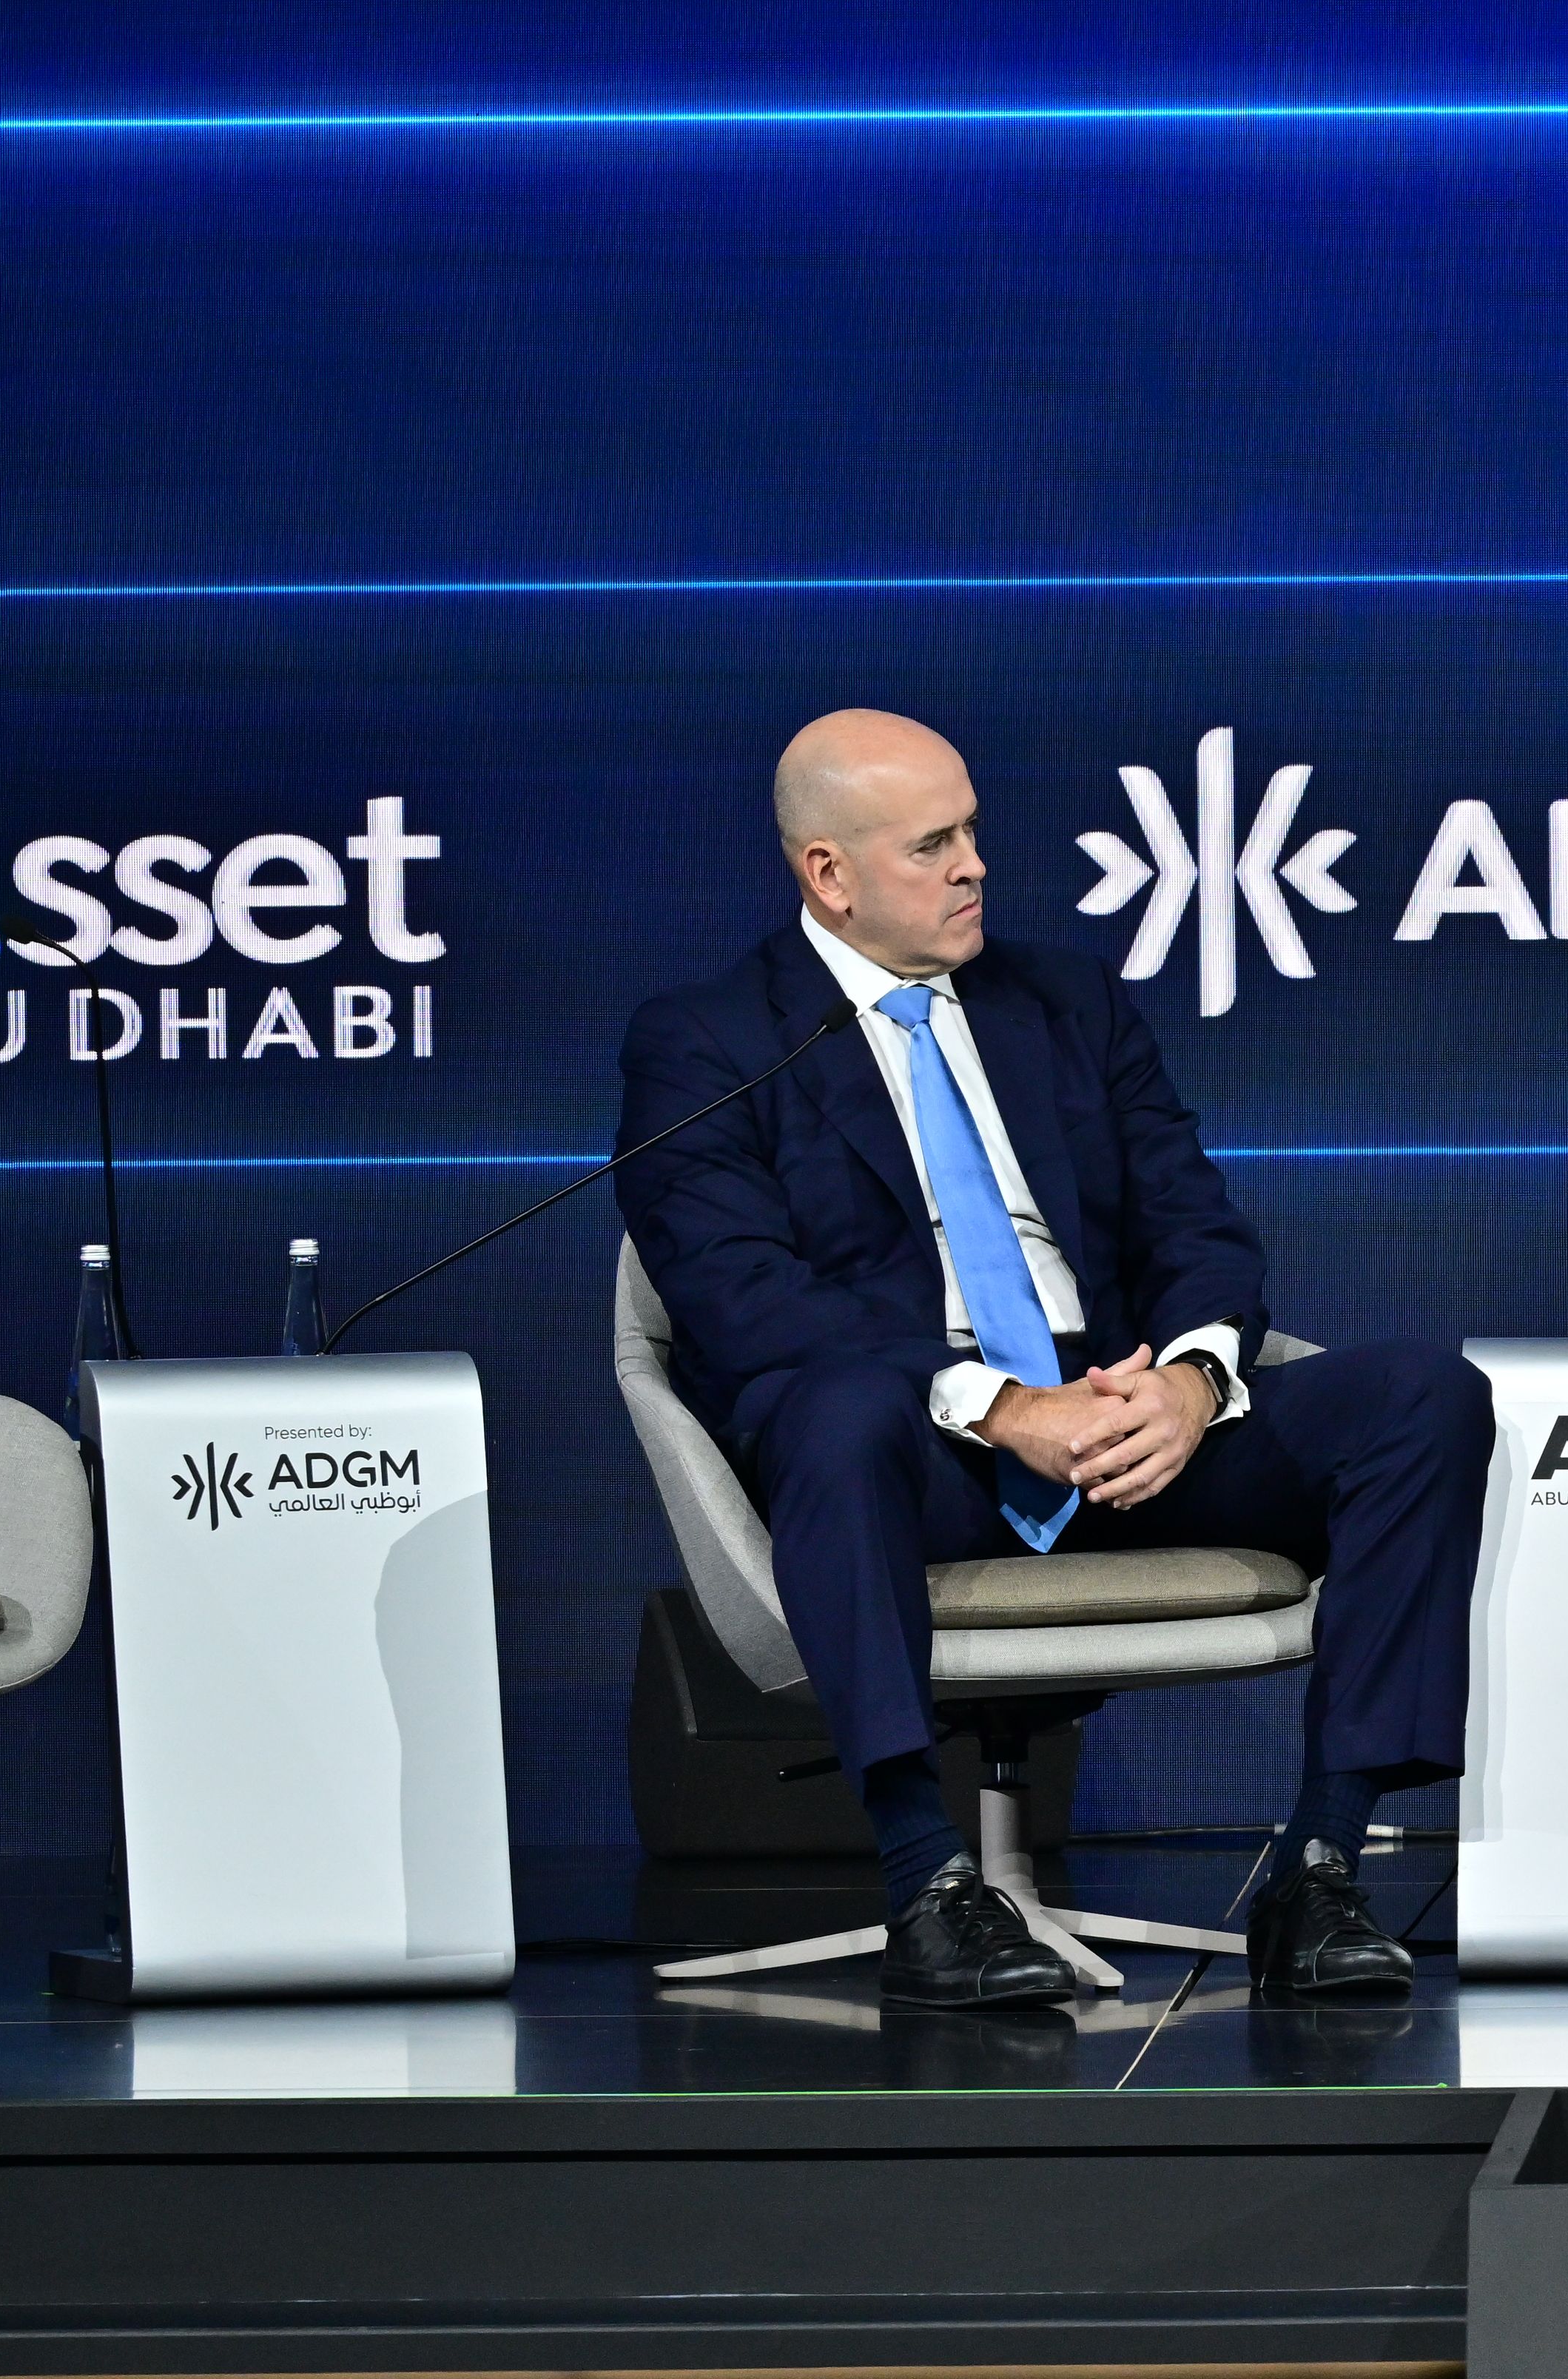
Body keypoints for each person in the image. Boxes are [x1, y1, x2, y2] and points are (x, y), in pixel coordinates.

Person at [618, 713, 1494, 2008]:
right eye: (934, 844)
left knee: (1422, 1395)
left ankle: (1319, 1866)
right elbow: (745, 1303)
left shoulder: (1064, 1002)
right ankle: (927, 1881)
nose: (975, 864)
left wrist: (1190, 1386)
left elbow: (1196, 1226)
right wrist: (997, 1405)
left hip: (1119, 1417)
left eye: (974, 830)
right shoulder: (707, 1042)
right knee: (837, 1411)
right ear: (829, 876)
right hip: (921, 1443)